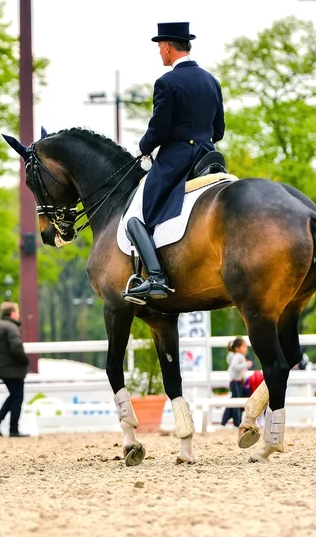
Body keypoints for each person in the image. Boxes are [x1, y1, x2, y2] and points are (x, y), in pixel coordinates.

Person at [123, 22, 225, 302]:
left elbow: (159, 129)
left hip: (177, 160)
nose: (159, 53)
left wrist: (143, 148)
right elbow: (219, 131)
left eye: (159, 48)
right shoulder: (211, 81)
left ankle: (156, 277)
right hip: (208, 157)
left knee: (137, 216)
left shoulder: (166, 83)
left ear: (167, 47)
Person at [0, 302, 30, 437]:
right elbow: (16, 347)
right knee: (17, 397)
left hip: (5, 368)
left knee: (14, 396)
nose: (18, 314)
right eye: (17, 311)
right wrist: (25, 360)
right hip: (14, 369)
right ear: (12, 313)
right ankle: (12, 428)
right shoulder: (11, 327)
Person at [221, 338, 253, 428]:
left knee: (234, 401)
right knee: (237, 402)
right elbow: (234, 367)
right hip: (236, 382)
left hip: (238, 382)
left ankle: (225, 420)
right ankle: (237, 422)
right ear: (237, 348)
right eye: (244, 346)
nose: (246, 348)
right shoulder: (238, 356)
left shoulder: (238, 356)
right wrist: (246, 364)